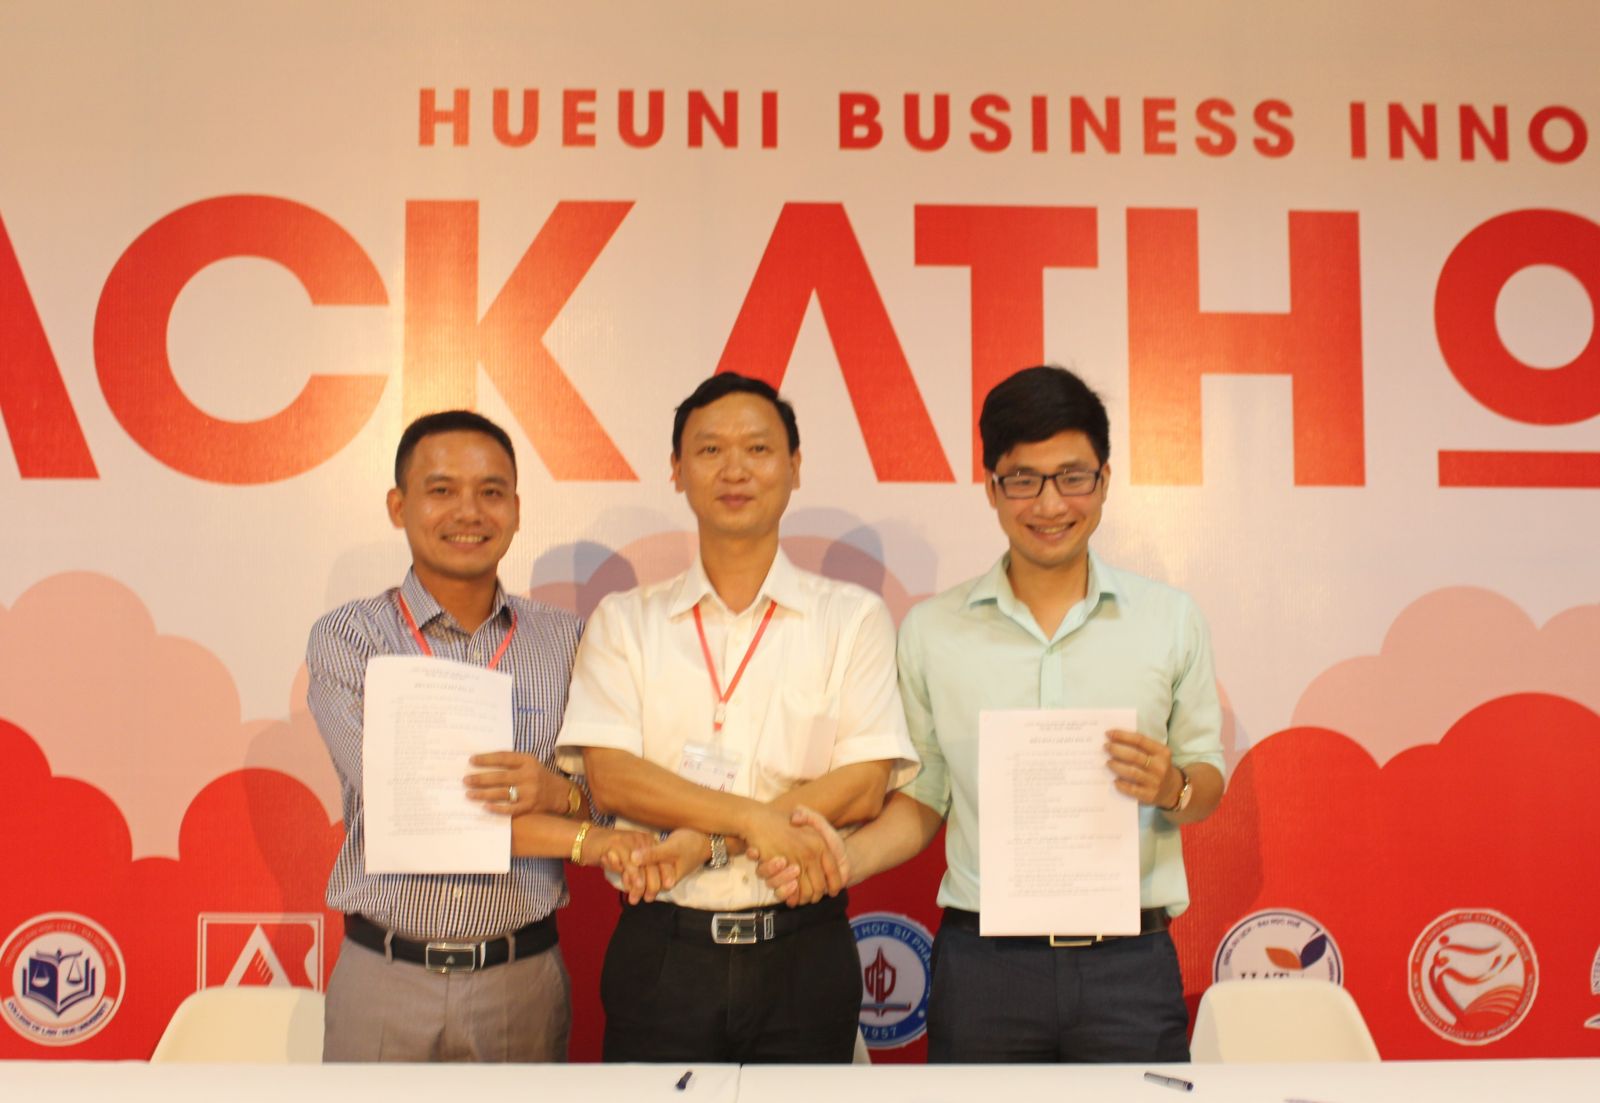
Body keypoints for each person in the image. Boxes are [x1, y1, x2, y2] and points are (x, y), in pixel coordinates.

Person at [765, 365, 1225, 1063]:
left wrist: (1173, 787)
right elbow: (924, 798)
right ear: (991, 487)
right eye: (1023, 480)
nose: (1050, 503)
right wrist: (841, 860)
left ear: (1105, 480)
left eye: (1073, 477)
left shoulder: (1169, 620)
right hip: (985, 967)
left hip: (1129, 965)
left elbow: (1206, 781)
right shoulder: (933, 631)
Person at [554, 372, 918, 1064]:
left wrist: (705, 841)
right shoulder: (626, 621)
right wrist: (755, 820)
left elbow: (864, 784)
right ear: (677, 470)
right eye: (710, 449)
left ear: (794, 466)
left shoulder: (851, 618)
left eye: (758, 448)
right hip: (664, 950)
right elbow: (613, 778)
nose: (735, 469)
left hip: (803, 947)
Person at [307, 409, 652, 1062]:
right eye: (441, 490)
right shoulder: (351, 638)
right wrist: (585, 839)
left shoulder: (567, 642)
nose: (468, 511)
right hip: (385, 977)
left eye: (491, 492)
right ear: (398, 505)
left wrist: (561, 793)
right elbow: (415, 806)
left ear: (517, 510)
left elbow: (610, 798)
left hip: (521, 980)